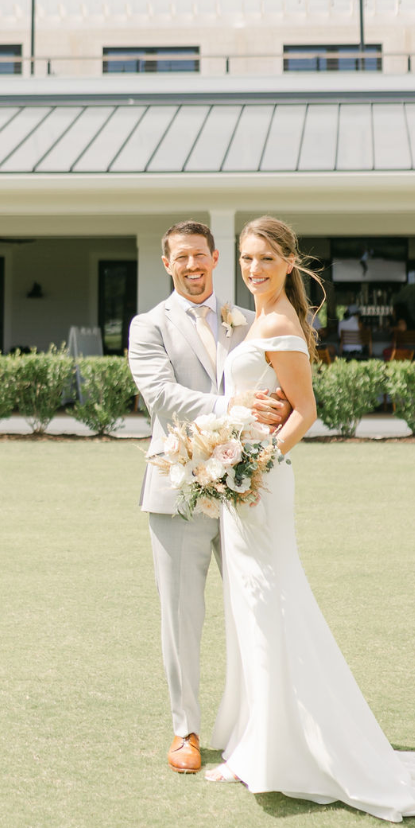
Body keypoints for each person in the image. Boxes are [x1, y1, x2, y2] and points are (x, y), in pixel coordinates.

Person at [203, 215, 415, 819]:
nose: (253, 270)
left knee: (272, 604)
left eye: (266, 260)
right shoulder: (255, 320)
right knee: (251, 607)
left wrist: (256, 464)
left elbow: (306, 410)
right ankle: (255, 743)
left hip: (261, 485)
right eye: (246, 259)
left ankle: (283, 751)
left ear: (289, 263)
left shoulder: (281, 323)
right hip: (240, 485)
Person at [128, 220, 290, 775]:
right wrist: (235, 410)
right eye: (181, 258)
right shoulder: (147, 326)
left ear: (216, 258)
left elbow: (278, 386)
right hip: (176, 490)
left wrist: (277, 410)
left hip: (244, 488)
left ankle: (267, 725)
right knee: (182, 615)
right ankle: (186, 730)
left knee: (261, 602)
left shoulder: (249, 319)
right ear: (167, 264)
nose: (192, 266)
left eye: (201, 255)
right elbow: (161, 397)